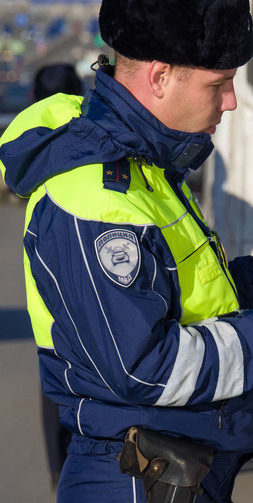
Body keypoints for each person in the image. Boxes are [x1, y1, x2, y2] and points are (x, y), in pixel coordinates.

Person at [0, 0, 253, 503]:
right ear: (160, 77)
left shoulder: (145, 166)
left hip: (170, 470)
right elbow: (146, 369)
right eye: (220, 84)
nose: (231, 102)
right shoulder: (98, 195)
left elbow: (183, 296)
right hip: (136, 478)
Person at [31, 62, 84, 487]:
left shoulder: (27, 150)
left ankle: (57, 472)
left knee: (55, 391)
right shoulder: (94, 139)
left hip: (48, 307)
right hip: (97, 302)